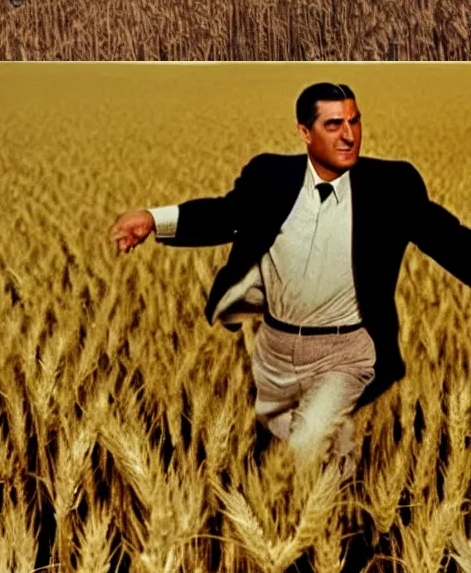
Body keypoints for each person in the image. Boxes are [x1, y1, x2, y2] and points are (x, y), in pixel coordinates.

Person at [110, 82, 471, 468]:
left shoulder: (391, 185)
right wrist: (152, 219)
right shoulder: (271, 176)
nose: (349, 136)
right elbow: (224, 216)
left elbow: (447, 239)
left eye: (354, 121)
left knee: (307, 447)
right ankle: (332, 502)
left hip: (345, 351)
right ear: (304, 132)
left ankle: (322, 500)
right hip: (276, 352)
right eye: (333, 125)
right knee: (296, 450)